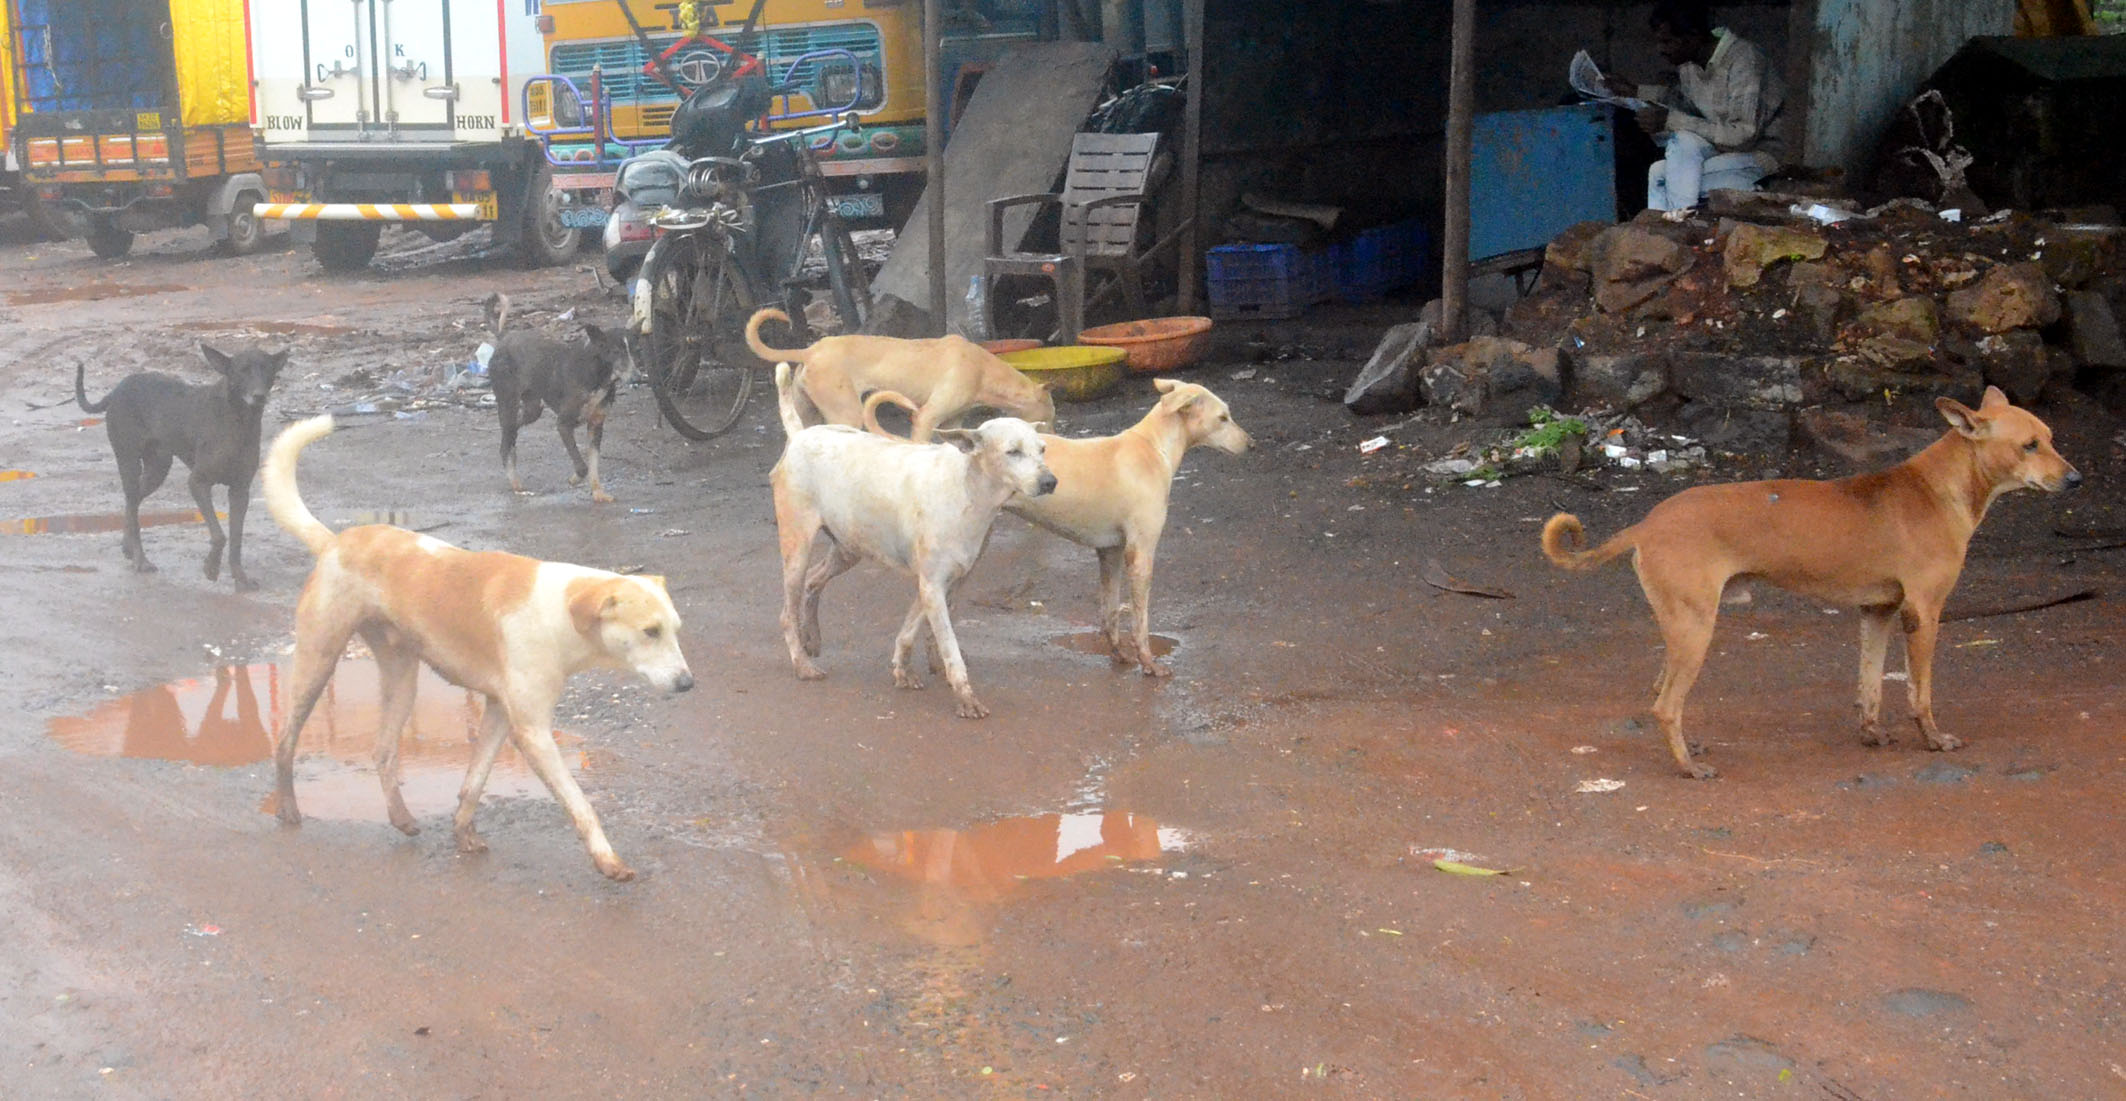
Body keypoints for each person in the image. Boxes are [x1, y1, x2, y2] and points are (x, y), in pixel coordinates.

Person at [1606, 1, 1786, 211]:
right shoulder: (1690, 65)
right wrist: (1635, 91)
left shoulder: (1744, 60)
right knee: (1664, 163)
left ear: (1692, 37)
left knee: (1664, 175)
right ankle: (1671, 225)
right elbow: (1682, 100)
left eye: (1667, 42)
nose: (1660, 50)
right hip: (1720, 151)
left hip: (1761, 157)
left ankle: (1677, 223)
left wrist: (1670, 120)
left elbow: (1743, 137)